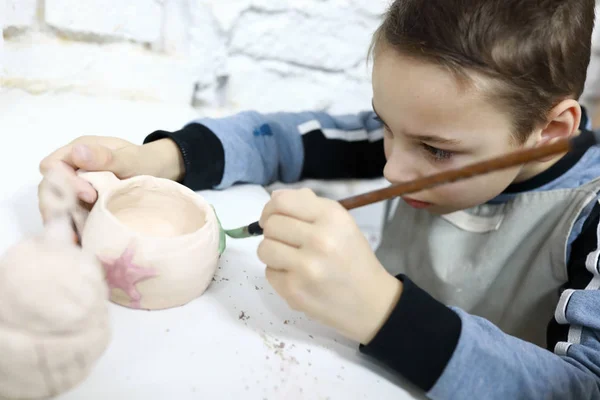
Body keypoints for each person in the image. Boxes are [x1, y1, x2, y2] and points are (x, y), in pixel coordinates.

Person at [38, 0, 600, 398]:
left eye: (435, 150)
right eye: (384, 124)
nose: (391, 165)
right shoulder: (429, 126)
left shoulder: (589, 223)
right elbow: (282, 141)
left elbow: (579, 387)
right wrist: (157, 161)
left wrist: (383, 312)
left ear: (551, 131)